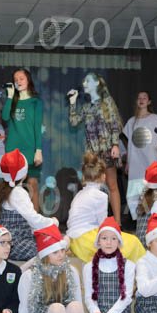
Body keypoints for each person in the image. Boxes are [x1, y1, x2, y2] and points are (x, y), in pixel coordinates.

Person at [67, 152, 145, 263]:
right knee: (133, 242)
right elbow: (103, 227)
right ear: (103, 176)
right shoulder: (100, 196)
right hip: (85, 240)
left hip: (75, 240)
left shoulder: (79, 194)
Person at [67, 72, 124, 224]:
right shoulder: (86, 106)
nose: (84, 84)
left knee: (112, 185)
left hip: (106, 149)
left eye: (87, 81)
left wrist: (115, 145)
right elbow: (74, 122)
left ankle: (117, 223)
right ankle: (96, 221)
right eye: (84, 81)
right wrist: (72, 103)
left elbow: (115, 124)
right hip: (92, 153)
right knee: (93, 186)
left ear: (97, 83)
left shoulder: (107, 102)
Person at [0, 149, 58, 261]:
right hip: (16, 243)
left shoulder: (6, 188)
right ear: (24, 172)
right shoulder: (18, 193)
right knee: (51, 246)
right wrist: (52, 222)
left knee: (47, 240)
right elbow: (33, 219)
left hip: (10, 240)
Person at [3, 69, 43, 210]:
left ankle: (35, 219)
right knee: (11, 186)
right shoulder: (12, 101)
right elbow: (5, 117)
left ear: (28, 80)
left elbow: (37, 127)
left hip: (30, 148)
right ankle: (12, 217)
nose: (18, 81)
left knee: (32, 185)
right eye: (16, 79)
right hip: (13, 150)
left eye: (21, 78)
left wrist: (38, 150)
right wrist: (10, 96)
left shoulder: (35, 102)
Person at [122, 91, 157, 219]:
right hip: (135, 164)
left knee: (151, 191)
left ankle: (153, 218)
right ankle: (139, 219)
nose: (141, 100)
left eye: (144, 98)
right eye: (139, 98)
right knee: (134, 193)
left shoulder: (155, 118)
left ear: (149, 101)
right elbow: (129, 143)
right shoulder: (131, 122)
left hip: (151, 162)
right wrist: (128, 162)